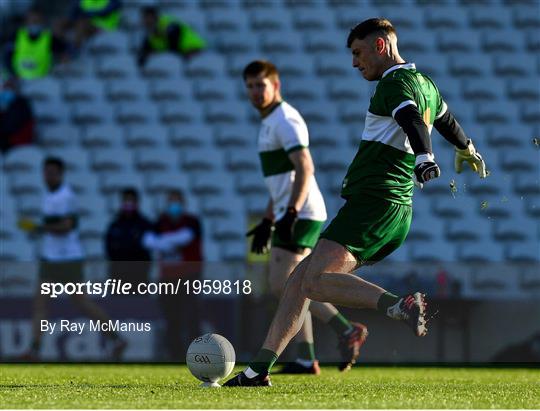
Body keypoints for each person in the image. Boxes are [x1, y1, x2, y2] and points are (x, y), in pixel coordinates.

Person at [224, 18, 488, 386]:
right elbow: (446, 119)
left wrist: (425, 158)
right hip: (392, 209)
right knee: (299, 280)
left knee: (313, 282)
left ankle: (399, 305)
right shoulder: (425, 83)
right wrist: (467, 148)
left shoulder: (393, 84)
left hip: (374, 203)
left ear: (380, 46)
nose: (354, 62)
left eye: (358, 52)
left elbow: (410, 117)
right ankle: (258, 370)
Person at [240, 60, 368, 374]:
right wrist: (269, 219)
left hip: (302, 212)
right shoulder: (270, 122)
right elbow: (280, 181)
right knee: (288, 285)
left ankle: (345, 330)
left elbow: (305, 167)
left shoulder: (285, 119)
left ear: (276, 85)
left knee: (288, 284)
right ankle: (306, 356)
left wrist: (292, 211)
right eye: (251, 86)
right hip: (289, 212)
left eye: (261, 84)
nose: (256, 91)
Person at [20, 157, 127, 361]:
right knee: (41, 303)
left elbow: (67, 226)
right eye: (46, 172)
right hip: (50, 258)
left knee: (82, 303)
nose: (48, 176)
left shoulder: (66, 197)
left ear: (60, 174)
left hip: (68, 258)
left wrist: (40, 228)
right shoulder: (48, 196)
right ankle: (34, 348)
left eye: (52, 172)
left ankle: (116, 337)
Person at [151, 189, 203, 361]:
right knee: (171, 319)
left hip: (189, 276)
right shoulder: (160, 222)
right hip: (167, 278)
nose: (173, 205)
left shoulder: (192, 222)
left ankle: (197, 355)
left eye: (176, 201)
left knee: (191, 317)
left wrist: (163, 242)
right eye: (171, 201)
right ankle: (174, 355)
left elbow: (185, 238)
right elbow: (149, 241)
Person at [3, 9, 69, 79]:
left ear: (42, 21)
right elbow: (6, 55)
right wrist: (11, 74)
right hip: (19, 78)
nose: (34, 23)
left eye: (37, 21)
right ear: (26, 21)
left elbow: (65, 52)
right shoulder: (16, 36)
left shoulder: (50, 38)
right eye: (32, 20)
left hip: (44, 78)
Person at [105, 187, 153, 284]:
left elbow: (148, 250)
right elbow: (109, 249)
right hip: (118, 277)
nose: (128, 203)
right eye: (126, 200)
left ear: (137, 202)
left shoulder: (145, 225)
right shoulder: (115, 225)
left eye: (131, 200)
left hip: (139, 277)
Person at [137, 6, 206, 68]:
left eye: (147, 17)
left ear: (154, 16)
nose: (145, 21)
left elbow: (174, 40)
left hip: (194, 49)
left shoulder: (167, 23)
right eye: (143, 18)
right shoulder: (150, 34)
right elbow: (145, 51)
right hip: (179, 54)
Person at [0, 76, 34, 153]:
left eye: (10, 86)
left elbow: (12, 125)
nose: (7, 89)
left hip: (13, 142)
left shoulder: (22, 103)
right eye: (5, 86)